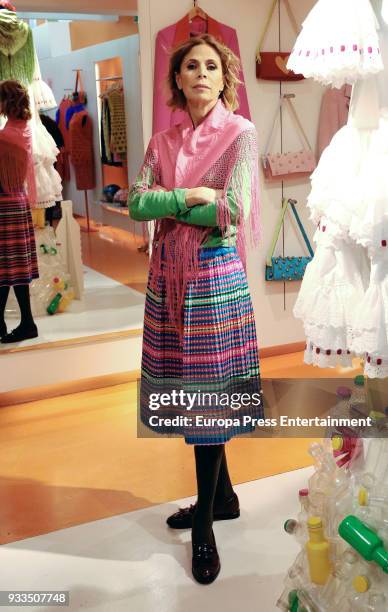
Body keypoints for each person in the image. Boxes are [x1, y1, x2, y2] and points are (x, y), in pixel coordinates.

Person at [128, 34, 262, 585]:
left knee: (206, 399)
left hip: (212, 279)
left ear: (224, 78)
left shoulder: (241, 135)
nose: (201, 73)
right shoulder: (162, 140)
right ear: (177, 79)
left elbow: (231, 209)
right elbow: (137, 202)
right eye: (191, 66)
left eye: (211, 66)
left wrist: (185, 199)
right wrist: (189, 197)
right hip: (167, 279)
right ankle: (224, 497)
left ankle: (204, 524)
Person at [0, 79, 39, 343]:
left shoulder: (5, 136)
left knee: (5, 267)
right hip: (17, 201)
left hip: (5, 205)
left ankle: (24, 322)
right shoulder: (22, 129)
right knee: (12, 268)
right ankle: (24, 322)